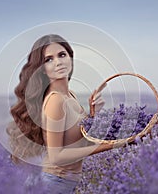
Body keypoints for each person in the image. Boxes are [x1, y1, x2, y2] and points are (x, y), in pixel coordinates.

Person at [7, 34, 128, 194]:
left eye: (62, 55)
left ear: (70, 57)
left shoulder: (69, 95)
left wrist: (92, 115)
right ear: (41, 69)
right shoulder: (55, 101)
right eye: (48, 59)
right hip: (54, 183)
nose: (58, 62)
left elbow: (74, 138)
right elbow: (57, 156)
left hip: (65, 182)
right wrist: (110, 145)